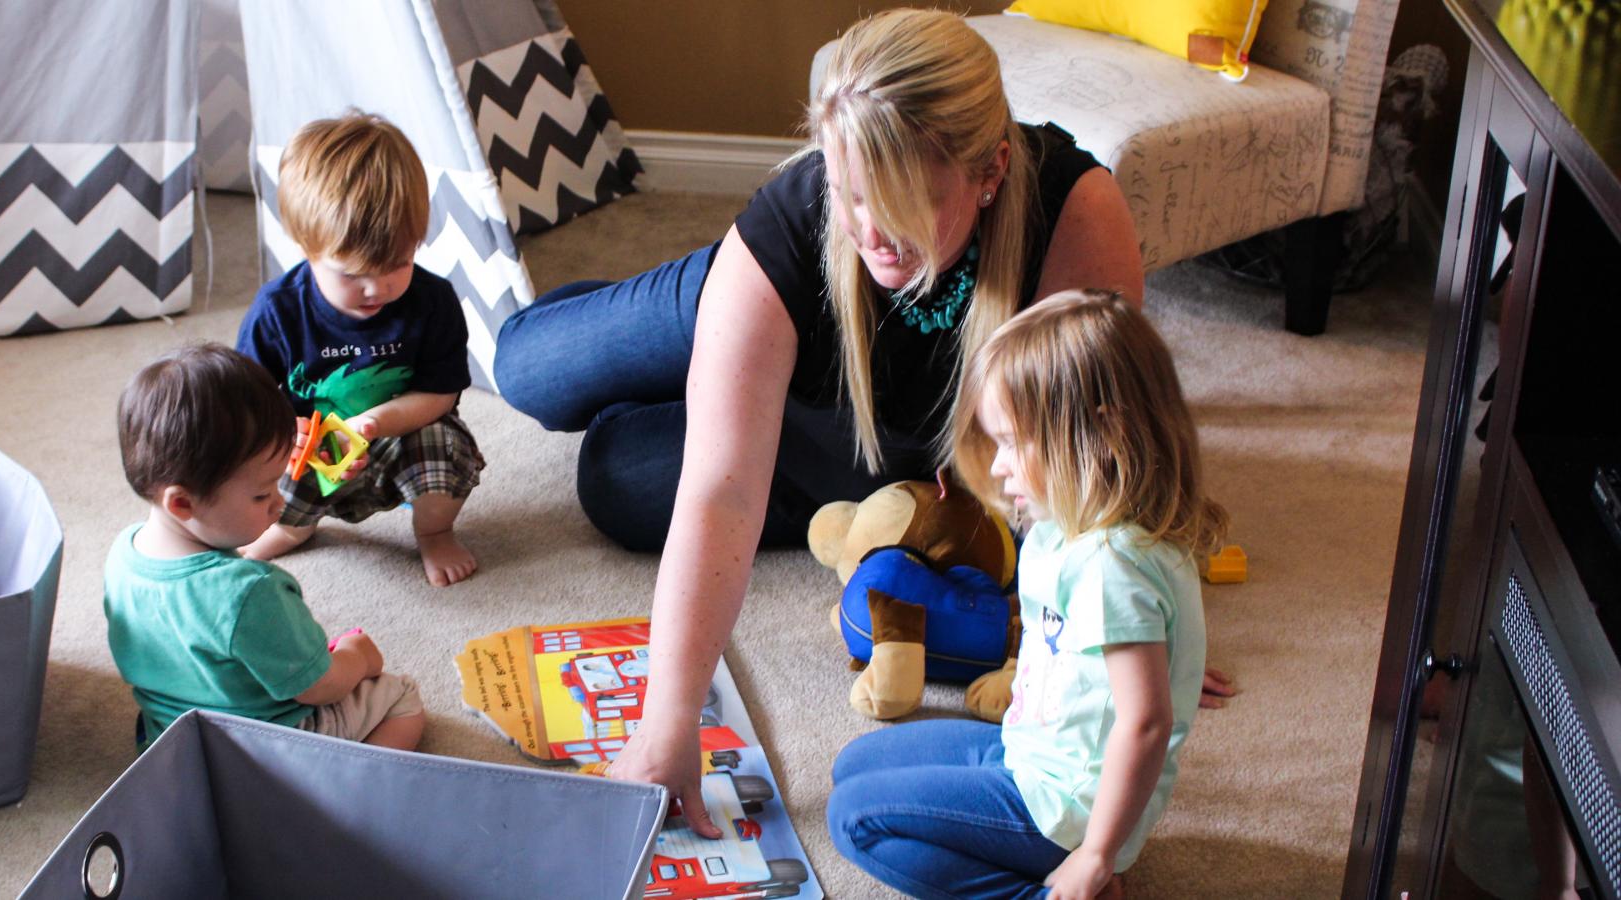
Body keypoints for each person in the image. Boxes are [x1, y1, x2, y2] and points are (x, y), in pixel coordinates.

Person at [494, 8, 1230, 833]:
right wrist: (668, 728)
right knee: (526, 370)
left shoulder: (1073, 211)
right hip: (758, 311)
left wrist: (1128, 625)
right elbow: (720, 493)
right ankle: (696, 342)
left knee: (615, 478)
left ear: (988, 173)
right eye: (852, 194)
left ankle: (738, 396)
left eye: (905, 199)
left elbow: (1097, 452)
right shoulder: (798, 222)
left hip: (892, 442)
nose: (874, 231)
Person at [827, 289, 1225, 898]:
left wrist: (1097, 855)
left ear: (1098, 434)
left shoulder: (1111, 565)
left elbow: (1146, 722)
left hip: (1063, 807)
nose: (999, 466)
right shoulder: (1071, 528)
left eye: (1013, 442)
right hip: (1028, 752)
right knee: (852, 765)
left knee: (854, 818)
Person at [105, 342, 425, 752]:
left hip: (175, 741)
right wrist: (357, 657)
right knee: (401, 696)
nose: (280, 502)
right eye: (261, 495)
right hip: (269, 746)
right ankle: (352, 791)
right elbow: (319, 688)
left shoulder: (122, 554)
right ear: (182, 502)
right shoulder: (251, 590)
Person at [237, 113, 484, 587]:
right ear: (307, 249)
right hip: (309, 446)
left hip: (397, 438)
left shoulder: (432, 302)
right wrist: (286, 434)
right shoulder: (278, 311)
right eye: (351, 274)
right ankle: (293, 529)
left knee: (448, 448)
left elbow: (441, 394)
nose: (377, 288)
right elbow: (245, 398)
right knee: (256, 466)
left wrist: (373, 424)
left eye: (398, 263)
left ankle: (434, 532)